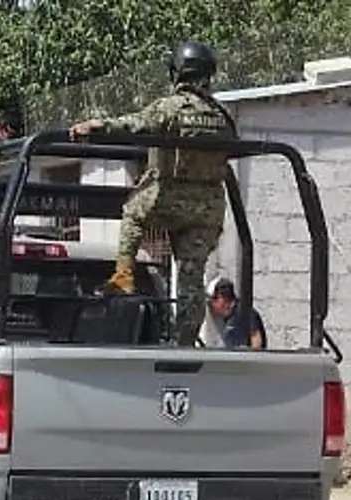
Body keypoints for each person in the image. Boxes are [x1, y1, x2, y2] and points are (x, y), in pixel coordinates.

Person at [69, 40, 238, 346]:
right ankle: (184, 342)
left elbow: (136, 125)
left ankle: (123, 274)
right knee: (191, 275)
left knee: (133, 211)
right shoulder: (223, 115)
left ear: (176, 73)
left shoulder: (173, 107)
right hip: (209, 207)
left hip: (170, 196)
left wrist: (97, 126)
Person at [204, 276, 267, 350]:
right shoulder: (226, 318)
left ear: (223, 298)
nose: (212, 305)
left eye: (214, 300)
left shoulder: (245, 313)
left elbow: (257, 343)